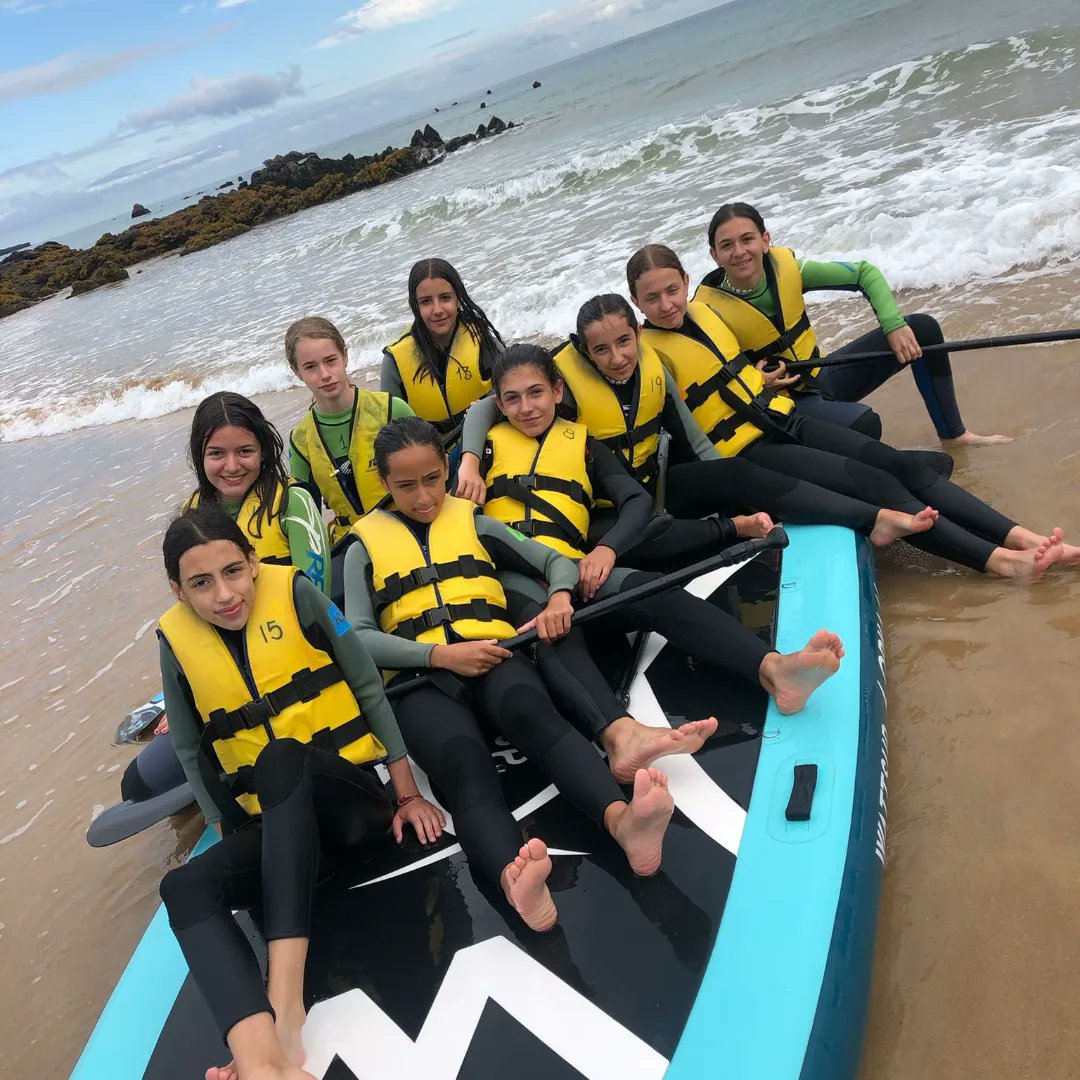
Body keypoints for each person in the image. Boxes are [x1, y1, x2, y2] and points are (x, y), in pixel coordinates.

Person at [343, 417, 677, 933]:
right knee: (461, 762)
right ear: (384, 483)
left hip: (496, 657)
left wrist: (560, 596)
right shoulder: (363, 546)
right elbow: (357, 636)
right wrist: (438, 657)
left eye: (433, 478)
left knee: (534, 714)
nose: (424, 496)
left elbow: (554, 562)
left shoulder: (473, 521)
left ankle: (624, 823)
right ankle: (514, 882)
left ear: (448, 468)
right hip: (420, 681)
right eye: (406, 485)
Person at [157, 508, 443, 1080]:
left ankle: (285, 1003)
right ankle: (261, 1058)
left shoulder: (299, 592)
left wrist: (407, 792)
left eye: (233, 571)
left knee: (279, 758)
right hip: (283, 840)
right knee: (184, 885)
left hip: (351, 809)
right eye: (201, 584)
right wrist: (227, 834)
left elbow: (366, 685)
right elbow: (191, 750)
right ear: (177, 591)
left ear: (254, 562)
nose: (224, 594)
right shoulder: (173, 640)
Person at [458, 341, 846, 762]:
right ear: (498, 402)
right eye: (512, 399)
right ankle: (620, 737)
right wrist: (468, 463)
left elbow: (636, 502)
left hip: (573, 569)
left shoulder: (584, 445)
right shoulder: (480, 453)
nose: (526, 407)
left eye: (536, 392)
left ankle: (775, 671)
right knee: (550, 628)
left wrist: (606, 549)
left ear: (557, 391)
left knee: (655, 591)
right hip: (507, 578)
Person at [628, 243, 1079, 581]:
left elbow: (729, 362)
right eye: (652, 299)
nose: (667, 304)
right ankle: (1002, 563)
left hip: (787, 418)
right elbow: (679, 432)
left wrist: (759, 380)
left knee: (897, 462)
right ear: (637, 304)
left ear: (688, 280)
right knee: (877, 484)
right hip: (752, 450)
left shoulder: (708, 312)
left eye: (672, 289)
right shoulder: (647, 355)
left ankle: (1023, 537)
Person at [457, 295, 940, 557]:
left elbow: (697, 444)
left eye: (624, 342)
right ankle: (753, 526)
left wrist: (742, 480)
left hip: (659, 485)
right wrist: (471, 463)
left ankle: (871, 517)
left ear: (637, 334)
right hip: (609, 506)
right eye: (601, 349)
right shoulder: (549, 385)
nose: (617, 357)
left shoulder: (650, 369)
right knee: (655, 523)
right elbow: (483, 409)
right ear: (583, 351)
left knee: (737, 473)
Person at [696, 202, 1010, 445]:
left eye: (747, 239)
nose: (739, 252)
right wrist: (756, 383)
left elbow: (864, 272)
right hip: (785, 405)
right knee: (864, 423)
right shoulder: (709, 310)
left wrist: (893, 325)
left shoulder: (789, 269)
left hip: (824, 377)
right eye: (727, 245)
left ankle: (955, 435)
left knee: (923, 329)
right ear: (714, 255)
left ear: (765, 240)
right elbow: (711, 377)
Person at [286, 316, 414, 546]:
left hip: (405, 525)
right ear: (296, 371)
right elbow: (308, 519)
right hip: (350, 543)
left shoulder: (391, 409)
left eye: (330, 361)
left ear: (345, 355)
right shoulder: (300, 440)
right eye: (310, 367)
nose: (324, 374)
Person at [186, 391, 330, 595]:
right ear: (199, 455)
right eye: (216, 453)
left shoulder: (293, 502)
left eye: (245, 451)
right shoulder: (191, 512)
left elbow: (317, 598)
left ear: (263, 451)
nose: (232, 466)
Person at [381, 259, 504, 456]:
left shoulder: (482, 342)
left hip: (487, 439)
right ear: (415, 305)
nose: (437, 310)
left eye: (445, 298)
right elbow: (391, 430)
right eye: (426, 301)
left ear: (458, 298)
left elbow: (513, 390)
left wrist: (486, 407)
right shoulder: (394, 360)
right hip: (430, 456)